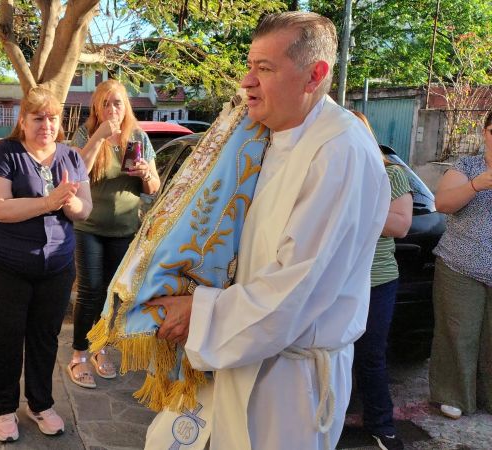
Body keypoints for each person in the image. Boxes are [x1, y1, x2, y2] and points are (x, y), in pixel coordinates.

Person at [146, 12, 389, 449]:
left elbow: (297, 286)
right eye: (250, 66)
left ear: (314, 75)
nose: (246, 81)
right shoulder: (266, 136)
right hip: (241, 352)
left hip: (288, 383)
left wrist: (199, 312)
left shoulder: (339, 152)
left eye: (265, 68)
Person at [0, 87, 92, 442]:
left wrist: (70, 205)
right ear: (22, 121)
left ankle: (40, 404)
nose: (46, 125)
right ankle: (5, 409)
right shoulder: (4, 153)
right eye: (38, 118)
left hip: (55, 265)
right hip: (1, 263)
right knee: (5, 337)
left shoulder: (70, 157)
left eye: (52, 118)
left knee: (44, 337)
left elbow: (86, 209)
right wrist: (48, 202)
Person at [68, 79, 159, 388]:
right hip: (89, 227)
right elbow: (77, 169)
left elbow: (154, 188)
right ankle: (79, 354)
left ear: (126, 106)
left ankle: (99, 348)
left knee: (109, 295)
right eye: (105, 103)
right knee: (90, 290)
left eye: (117, 102)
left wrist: (147, 173)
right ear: (96, 106)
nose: (111, 109)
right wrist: (98, 137)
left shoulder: (139, 137)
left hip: (123, 230)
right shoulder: (87, 133)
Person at [351, 111, 412, 450]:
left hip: (375, 281)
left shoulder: (390, 173)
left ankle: (381, 425)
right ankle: (322, 422)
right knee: (328, 354)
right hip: (333, 279)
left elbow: (400, 225)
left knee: (370, 356)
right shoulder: (327, 171)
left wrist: (353, 205)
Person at [429, 109, 492, 420]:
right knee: (458, 332)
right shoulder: (467, 167)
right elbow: (442, 204)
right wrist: (477, 185)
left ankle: (487, 396)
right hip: (460, 265)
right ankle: (453, 394)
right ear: (485, 132)